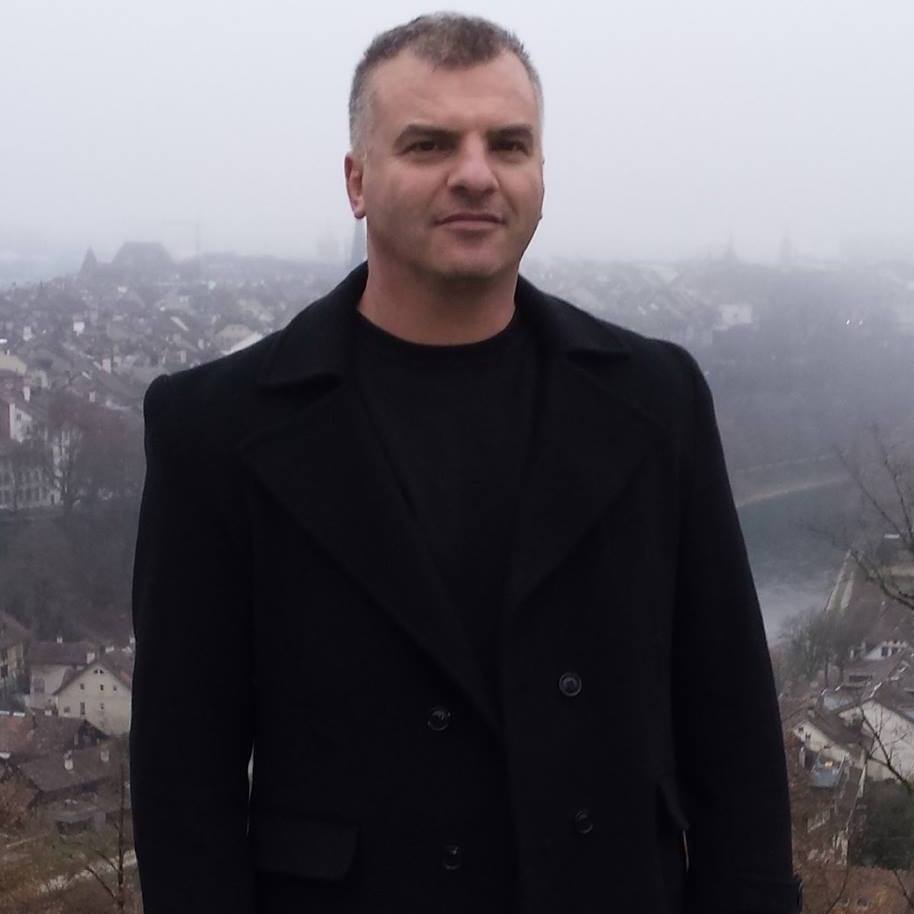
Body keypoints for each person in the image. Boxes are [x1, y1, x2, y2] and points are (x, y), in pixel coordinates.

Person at [129, 12, 803, 914]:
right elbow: (185, 791)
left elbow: (734, 738)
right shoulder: (213, 429)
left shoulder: (657, 400)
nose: (477, 174)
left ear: (540, 176)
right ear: (356, 181)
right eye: (430, 144)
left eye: (509, 145)